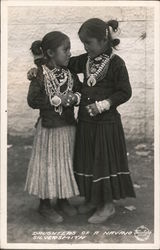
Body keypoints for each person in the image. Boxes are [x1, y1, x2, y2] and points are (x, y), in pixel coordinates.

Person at [27, 18, 136, 224]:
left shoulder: (116, 64)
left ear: (104, 40)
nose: (84, 48)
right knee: (88, 160)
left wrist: (104, 104)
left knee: (103, 162)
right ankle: (93, 200)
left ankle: (107, 205)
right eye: (83, 43)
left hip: (106, 123)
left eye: (88, 43)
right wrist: (36, 68)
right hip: (86, 121)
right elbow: (59, 62)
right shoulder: (86, 59)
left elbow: (125, 92)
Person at [25, 31, 81, 223]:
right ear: (49, 53)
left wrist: (74, 98)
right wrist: (57, 99)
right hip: (48, 129)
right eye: (65, 50)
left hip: (67, 127)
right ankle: (45, 205)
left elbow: (80, 91)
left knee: (65, 164)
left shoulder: (70, 73)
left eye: (69, 50)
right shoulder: (39, 74)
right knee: (48, 166)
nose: (69, 53)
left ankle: (64, 200)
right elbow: (33, 100)